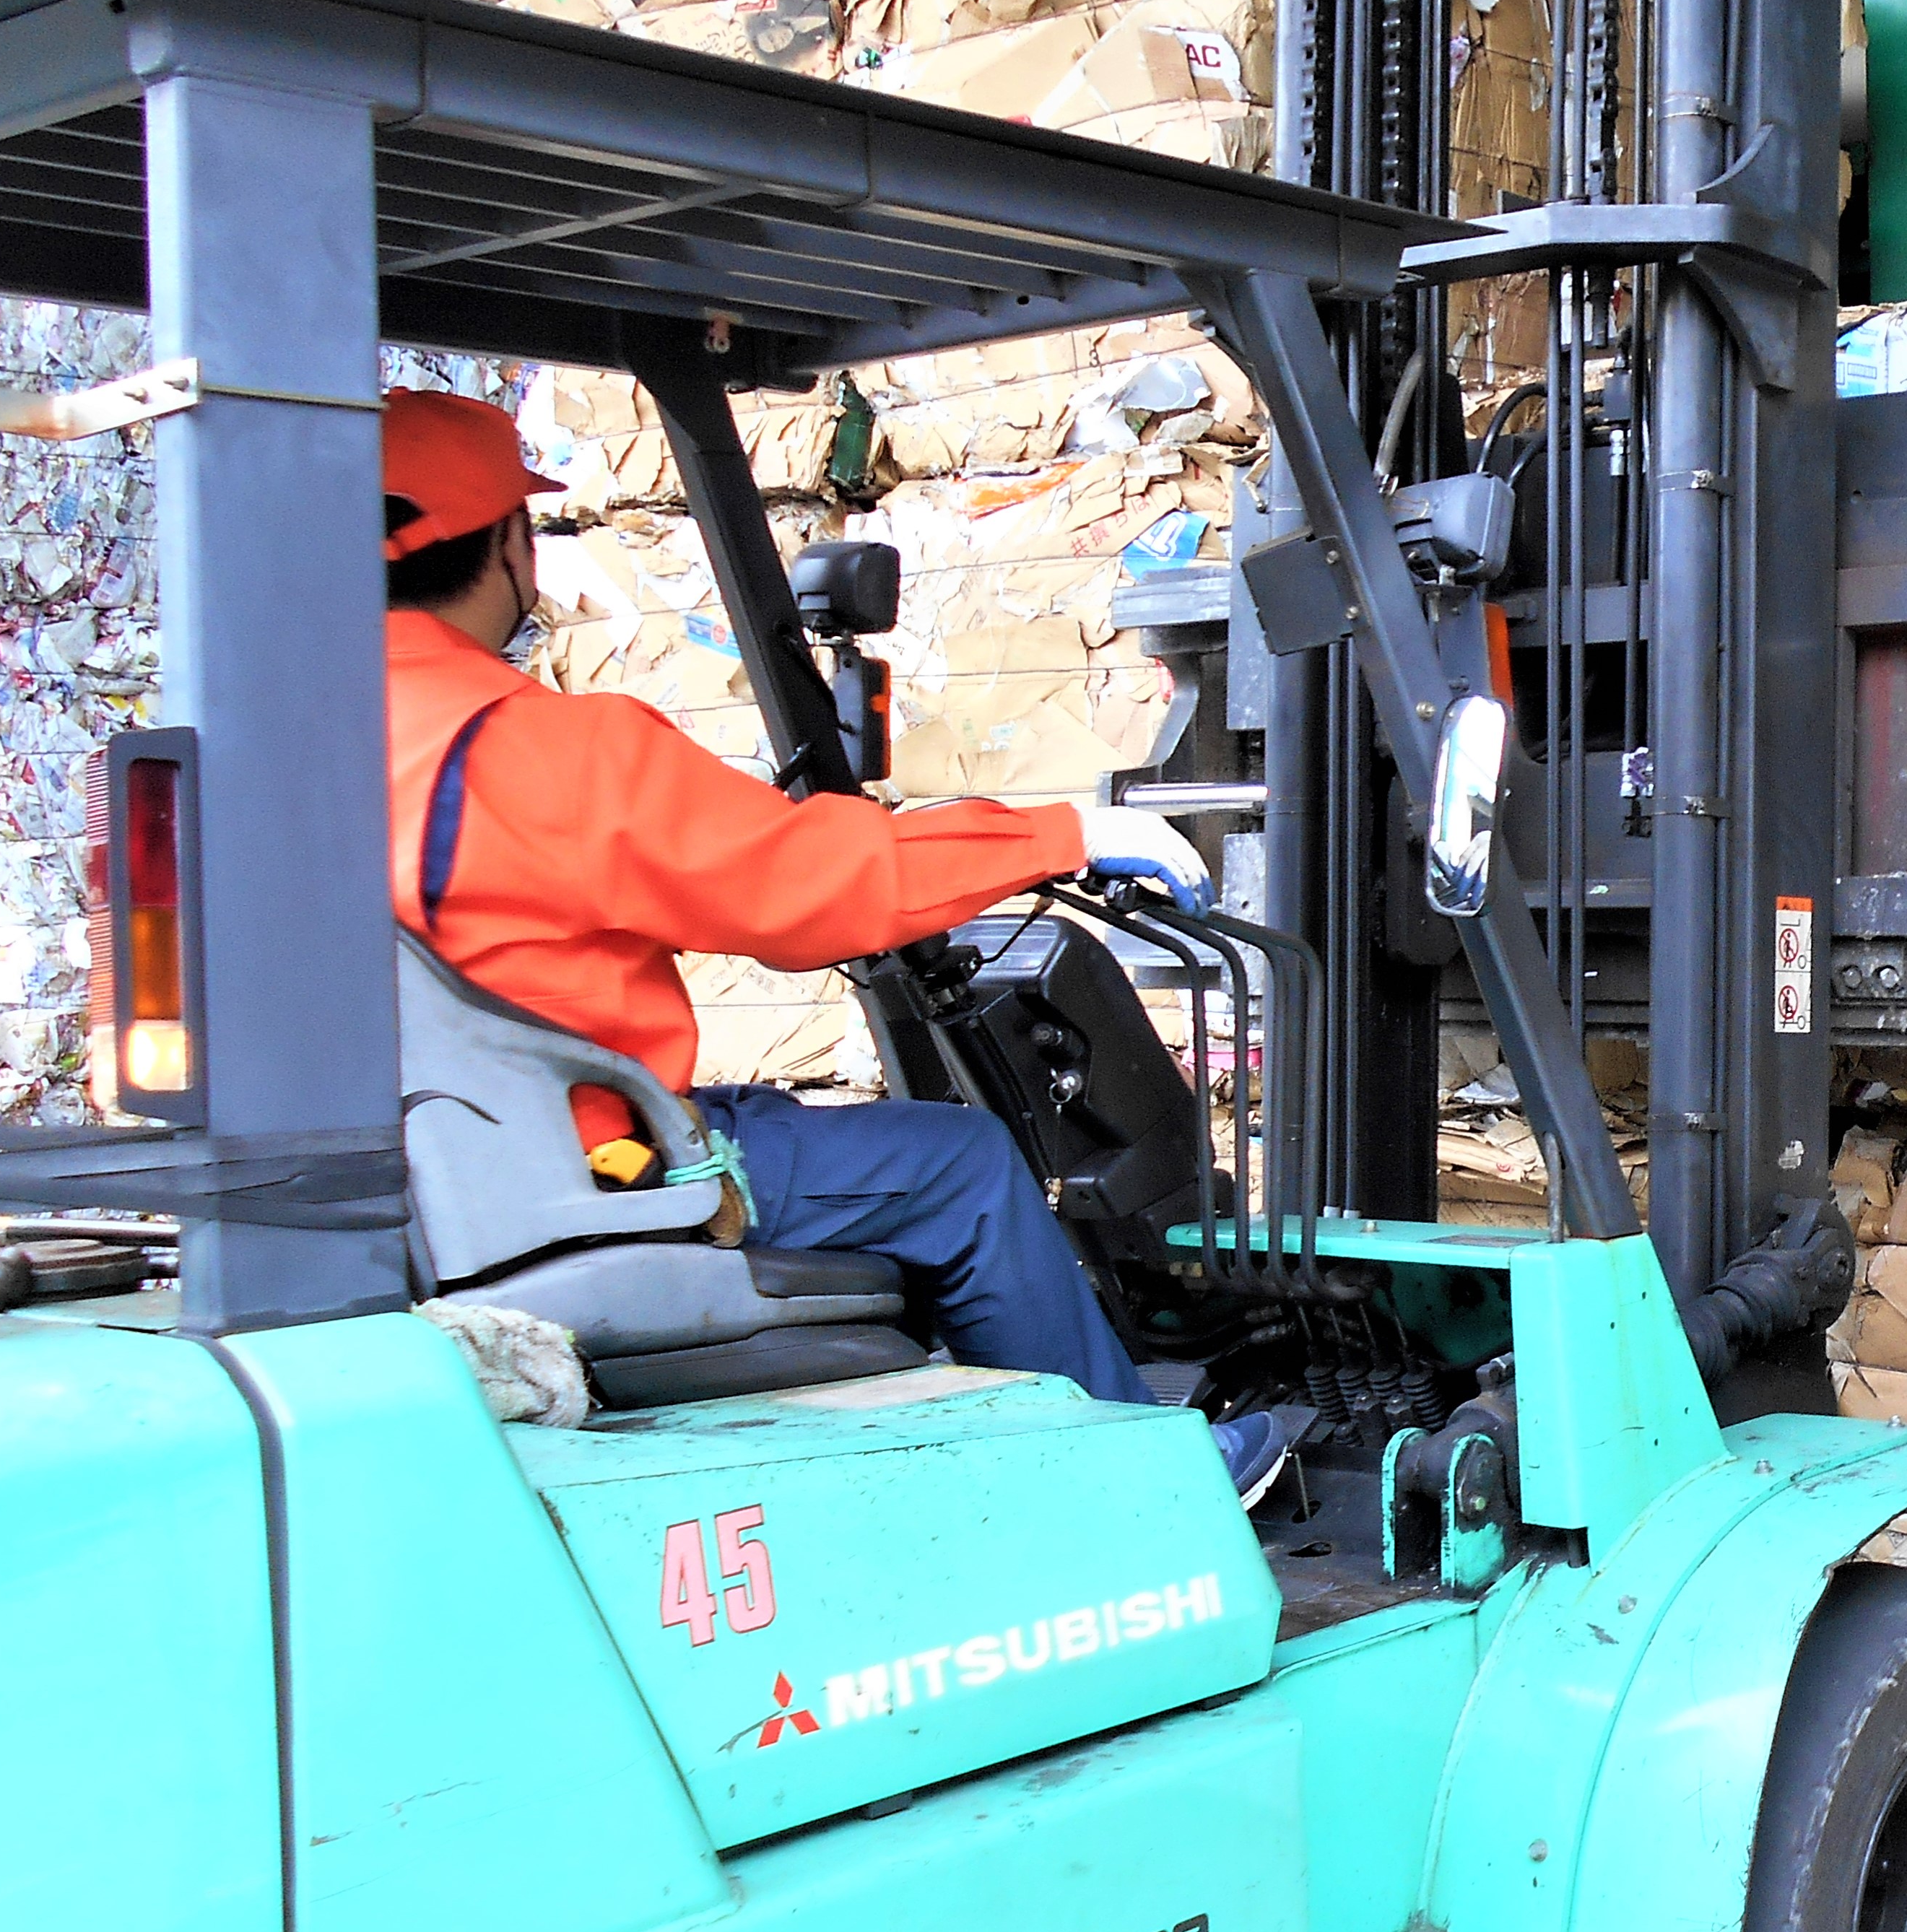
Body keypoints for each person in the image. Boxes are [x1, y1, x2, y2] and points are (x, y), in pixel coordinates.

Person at [378, 388, 1272, 1478]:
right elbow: (802, 890)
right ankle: (1143, 1478)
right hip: (584, 1174)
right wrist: (1061, 833)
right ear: (511, 542)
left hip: (407, 1192)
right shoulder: (539, 751)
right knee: (959, 1164)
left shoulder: (268, 754)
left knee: (766, 1118)